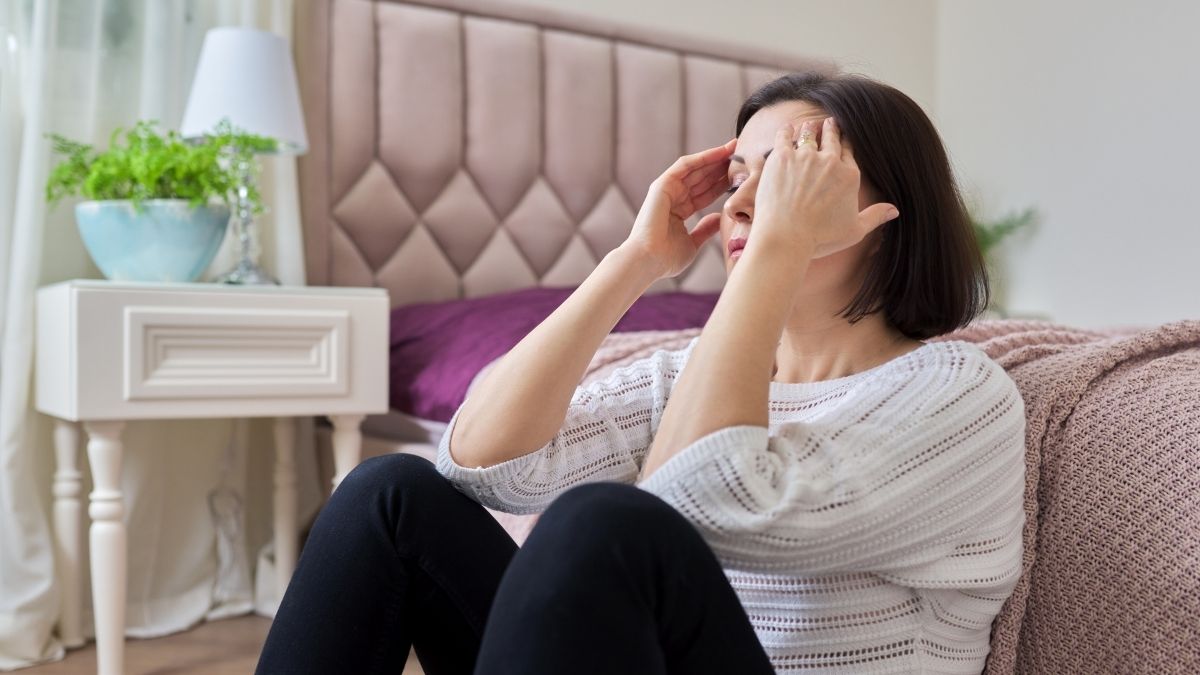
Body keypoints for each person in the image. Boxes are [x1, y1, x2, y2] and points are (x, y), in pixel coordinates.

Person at [257, 72, 1026, 675]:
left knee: (605, 522)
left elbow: (696, 500)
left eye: (791, 173)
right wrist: (634, 265)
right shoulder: (699, 371)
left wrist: (778, 250)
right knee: (390, 493)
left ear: (892, 210)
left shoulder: (961, 393)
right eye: (738, 177)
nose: (747, 202)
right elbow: (481, 461)